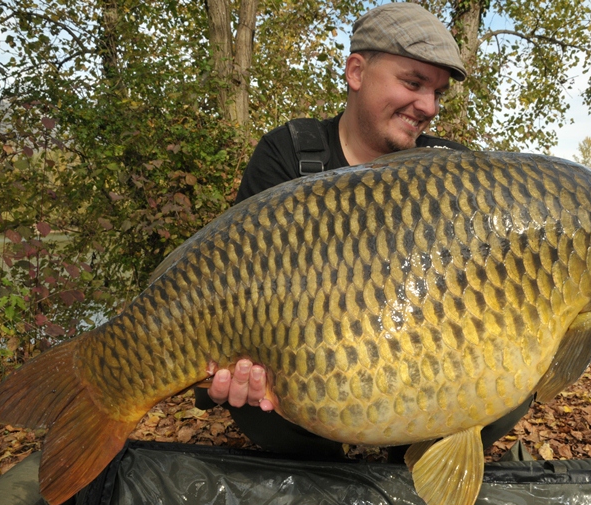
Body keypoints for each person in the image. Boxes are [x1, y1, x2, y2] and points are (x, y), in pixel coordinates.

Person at [195, 2, 536, 458]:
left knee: (515, 379)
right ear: (356, 71)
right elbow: (227, 285)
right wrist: (216, 371)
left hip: (418, 370)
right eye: (413, 83)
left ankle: (413, 474)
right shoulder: (287, 155)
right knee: (250, 387)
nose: (428, 107)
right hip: (301, 384)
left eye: (437, 93)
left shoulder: (451, 172)